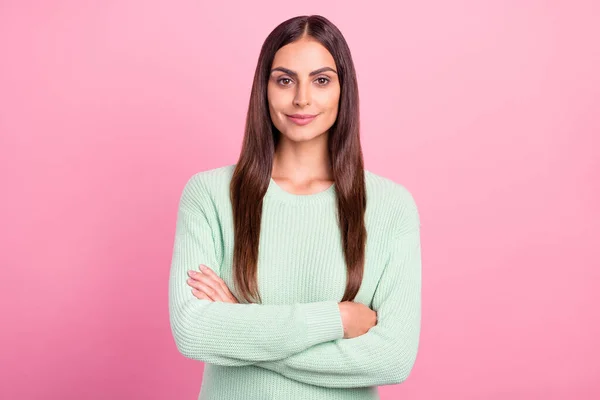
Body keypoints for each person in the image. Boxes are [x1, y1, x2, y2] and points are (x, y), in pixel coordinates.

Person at [168, 14, 422, 400]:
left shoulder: (391, 206)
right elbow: (193, 331)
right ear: (264, 88)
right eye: (285, 80)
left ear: (343, 89)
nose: (302, 98)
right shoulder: (209, 194)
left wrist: (240, 329)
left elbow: (392, 359)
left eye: (321, 80)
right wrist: (336, 319)